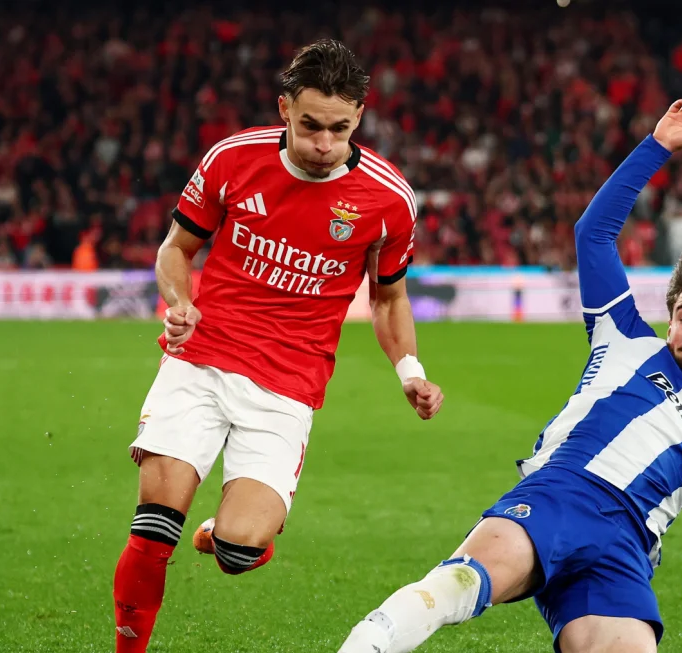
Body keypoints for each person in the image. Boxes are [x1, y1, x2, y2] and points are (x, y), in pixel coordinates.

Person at [339, 93, 682, 653]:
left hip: (625, 553)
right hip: (559, 494)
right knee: (459, 585)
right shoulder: (623, 336)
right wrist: (658, 145)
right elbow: (593, 234)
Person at [111, 39, 444, 652]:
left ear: (359, 119)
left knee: (241, 550)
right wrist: (179, 304)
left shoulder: (389, 199)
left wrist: (409, 370)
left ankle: (222, 536)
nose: (324, 144)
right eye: (311, 125)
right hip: (203, 360)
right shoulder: (233, 159)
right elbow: (175, 251)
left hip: (289, 386)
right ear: (285, 108)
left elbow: (390, 297)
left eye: (339, 129)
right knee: (154, 530)